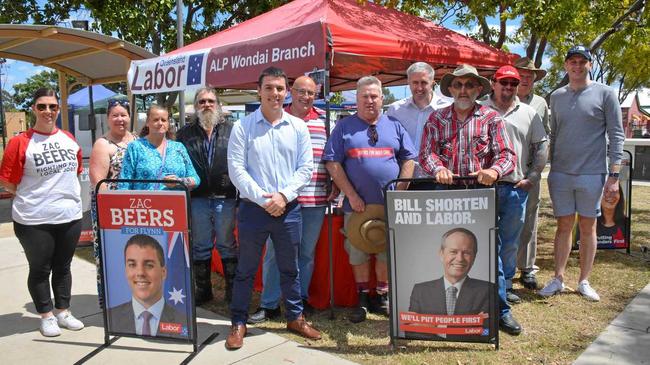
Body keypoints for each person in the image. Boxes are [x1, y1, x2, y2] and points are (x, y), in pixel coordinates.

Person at [419, 64, 519, 335]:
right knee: (445, 250)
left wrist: (493, 171)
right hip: (446, 196)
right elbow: (426, 153)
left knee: (489, 252)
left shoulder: (491, 118)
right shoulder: (437, 119)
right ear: (451, 89)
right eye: (458, 85)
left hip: (481, 196)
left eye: (469, 85)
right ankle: (442, 310)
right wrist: (437, 168)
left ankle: (501, 310)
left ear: (478, 89)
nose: (463, 90)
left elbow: (507, 155)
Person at [226, 67, 320, 350]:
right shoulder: (243, 127)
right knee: (246, 269)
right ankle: (239, 322)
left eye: (280, 88)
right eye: (269, 88)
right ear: (259, 91)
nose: (275, 94)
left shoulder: (297, 127)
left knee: (290, 268)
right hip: (254, 209)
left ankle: (295, 317)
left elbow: (306, 168)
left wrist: (283, 195)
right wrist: (264, 199)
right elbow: (236, 169)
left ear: (285, 91)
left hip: (288, 208)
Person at [323, 76, 416, 323]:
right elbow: (332, 162)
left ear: (382, 98)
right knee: (358, 252)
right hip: (357, 205)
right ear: (357, 98)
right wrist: (351, 195)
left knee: (385, 250)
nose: (369, 101)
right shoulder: (343, 127)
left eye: (374, 96)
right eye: (364, 96)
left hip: (389, 205)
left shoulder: (394, 125)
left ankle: (381, 297)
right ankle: (363, 297)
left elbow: (409, 159)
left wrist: (401, 191)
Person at [539, 46, 625, 302]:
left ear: (589, 64)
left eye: (582, 62)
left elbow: (617, 135)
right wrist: (551, 168)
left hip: (593, 173)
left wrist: (614, 176)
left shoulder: (605, 93)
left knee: (588, 227)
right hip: (561, 174)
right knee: (563, 226)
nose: (577, 66)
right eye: (572, 61)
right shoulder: (556, 96)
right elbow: (554, 134)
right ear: (566, 65)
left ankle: (584, 281)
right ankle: (558, 278)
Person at [0, 88, 85, 337]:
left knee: (63, 267)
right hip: (34, 219)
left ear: (58, 109)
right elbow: (8, 182)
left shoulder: (68, 138)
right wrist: (35, 198)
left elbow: (75, 170)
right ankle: (46, 316)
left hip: (69, 216)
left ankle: (63, 312)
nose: (48, 111)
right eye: (42, 106)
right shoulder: (21, 142)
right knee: (40, 269)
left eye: (53, 106)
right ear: (33, 109)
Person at [250, 76, 333, 323]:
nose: (305, 97)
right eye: (300, 91)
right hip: (283, 202)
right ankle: (270, 304)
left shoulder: (324, 121)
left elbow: (331, 158)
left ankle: (299, 302)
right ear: (290, 92)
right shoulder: (277, 118)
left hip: (315, 200)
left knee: (306, 254)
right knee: (275, 254)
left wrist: (335, 184)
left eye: (310, 93)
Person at [480, 65, 548, 310]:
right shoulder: (480, 109)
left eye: (513, 84)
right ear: (493, 83)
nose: (508, 88)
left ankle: (506, 285)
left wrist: (532, 176)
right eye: (503, 82)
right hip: (481, 188)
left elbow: (541, 146)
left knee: (509, 241)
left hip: (514, 187)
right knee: (481, 239)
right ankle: (484, 285)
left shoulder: (529, 113)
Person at [176, 88, 237, 305]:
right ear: (195, 106)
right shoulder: (184, 133)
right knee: (201, 245)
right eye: (202, 101)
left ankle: (232, 291)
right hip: (197, 197)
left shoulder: (232, 130)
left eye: (211, 101)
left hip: (226, 196)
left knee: (227, 244)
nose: (207, 105)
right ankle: (203, 291)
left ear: (218, 104)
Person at [89, 98, 136, 308]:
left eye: (123, 114)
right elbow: (99, 182)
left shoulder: (136, 140)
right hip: (111, 211)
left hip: (136, 209)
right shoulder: (103, 144)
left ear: (130, 116)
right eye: (115, 115)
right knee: (114, 255)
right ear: (108, 118)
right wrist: (113, 212)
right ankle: (112, 302)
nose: (120, 119)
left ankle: (134, 298)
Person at [408, 228, 491, 339]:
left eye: (466, 253)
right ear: (441, 254)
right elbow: (411, 331)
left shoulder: (488, 290)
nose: (459, 259)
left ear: (474, 257)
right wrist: (468, 326)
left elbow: (486, 332)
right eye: (453, 252)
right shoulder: (420, 291)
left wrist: (435, 327)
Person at [513, 57, 551, 290]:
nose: (525, 79)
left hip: (531, 172)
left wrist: (536, 170)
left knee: (529, 219)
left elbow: (545, 139)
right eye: (521, 75)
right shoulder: (498, 99)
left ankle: (526, 267)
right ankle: (501, 267)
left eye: (530, 76)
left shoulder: (540, 104)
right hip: (504, 171)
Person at [107, 234, 187, 338]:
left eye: (149, 265)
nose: (140, 273)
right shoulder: (111, 318)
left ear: (163, 272)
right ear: (125, 270)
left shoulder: (184, 321)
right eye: (132, 265)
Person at [118, 105, 199, 191]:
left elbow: (196, 179)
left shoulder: (179, 147)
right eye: (156, 120)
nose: (160, 123)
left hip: (175, 203)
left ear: (168, 124)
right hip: (145, 203)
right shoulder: (135, 147)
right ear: (147, 123)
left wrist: (180, 181)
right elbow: (124, 183)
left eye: (163, 120)